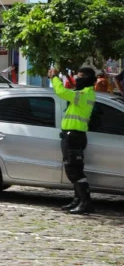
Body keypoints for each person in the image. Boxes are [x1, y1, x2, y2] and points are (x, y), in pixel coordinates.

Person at [50, 66, 97, 215]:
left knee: (74, 171)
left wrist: (54, 77)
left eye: (79, 76)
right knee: (74, 169)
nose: (77, 78)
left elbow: (61, 92)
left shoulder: (84, 94)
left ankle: (85, 203)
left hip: (74, 136)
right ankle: (78, 200)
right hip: (72, 136)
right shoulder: (83, 93)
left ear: (86, 79)